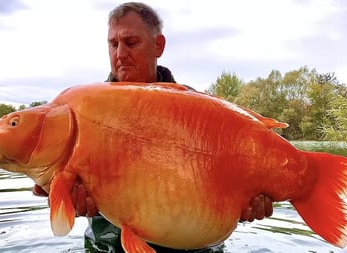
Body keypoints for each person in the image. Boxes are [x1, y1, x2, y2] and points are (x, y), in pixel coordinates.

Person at [33, 2, 273, 252]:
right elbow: (51, 183)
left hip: (192, 248)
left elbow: (234, 182)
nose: (120, 54)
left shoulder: (200, 111)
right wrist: (62, 196)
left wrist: (248, 203)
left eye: (131, 43)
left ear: (158, 45)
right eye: (113, 44)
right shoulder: (80, 112)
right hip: (107, 246)